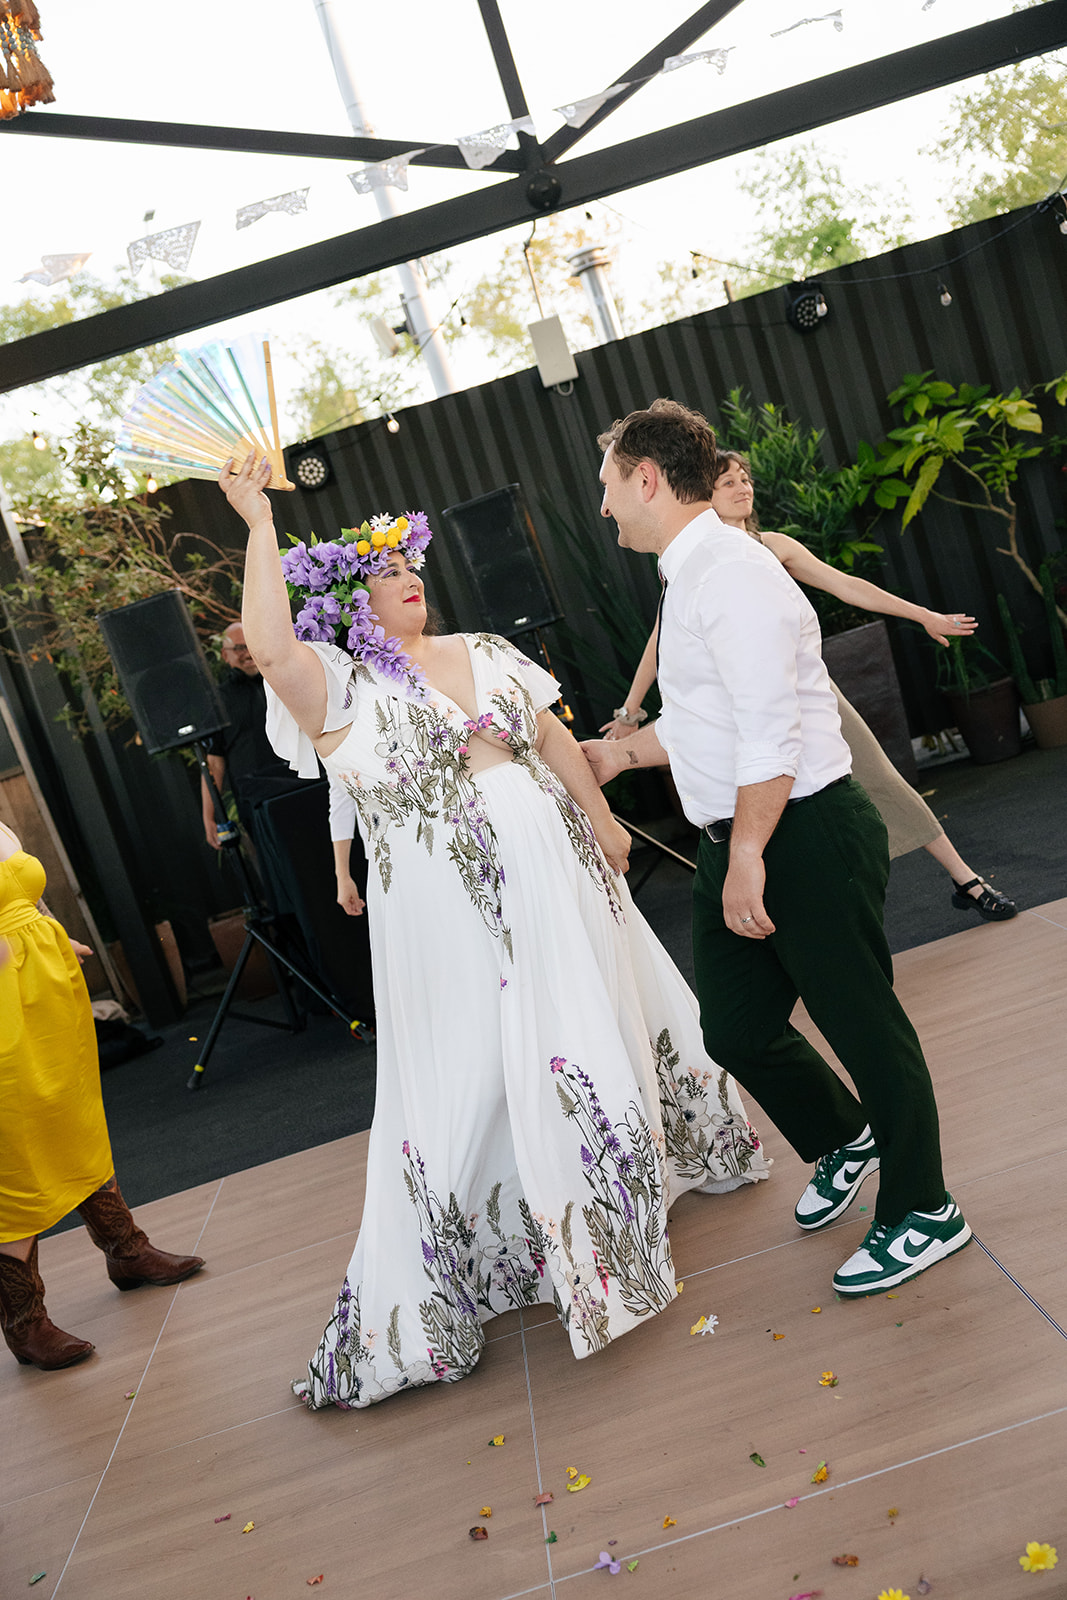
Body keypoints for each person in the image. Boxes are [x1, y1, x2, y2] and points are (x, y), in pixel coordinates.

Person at [218, 453, 771, 1410]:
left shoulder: (485, 647)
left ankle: (629, 1191)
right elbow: (270, 650)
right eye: (384, 573)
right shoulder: (338, 694)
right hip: (448, 907)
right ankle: (538, 1232)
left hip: (556, 868)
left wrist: (601, 821)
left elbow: (551, 736)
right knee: (480, 1064)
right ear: (350, 608)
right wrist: (258, 522)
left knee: (596, 1015)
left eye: (408, 563)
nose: (406, 577)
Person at [582, 399, 971, 1300]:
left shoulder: (732, 572)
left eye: (607, 487)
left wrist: (750, 850)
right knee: (737, 1029)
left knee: (863, 1025)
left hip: (802, 832)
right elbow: (707, 718)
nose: (603, 508)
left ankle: (924, 1210)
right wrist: (619, 752)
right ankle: (845, 1138)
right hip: (744, 837)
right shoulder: (690, 576)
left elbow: (768, 734)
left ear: (646, 478)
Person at [602, 450, 1017, 923]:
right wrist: (629, 713)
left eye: (745, 478)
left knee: (883, 780)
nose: (743, 487)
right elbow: (660, 643)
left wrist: (922, 615)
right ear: (704, 496)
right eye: (728, 482)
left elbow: (848, 586)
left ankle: (966, 878)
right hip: (743, 715)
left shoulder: (770, 545)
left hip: (806, 700)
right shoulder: (689, 563)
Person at [0, 819, 204, 1371]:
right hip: (3, 1000)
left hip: (48, 986)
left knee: (75, 1119)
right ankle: (24, 1321)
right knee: (14, 1150)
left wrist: (55, 935)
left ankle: (126, 1250)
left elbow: (25, 897)